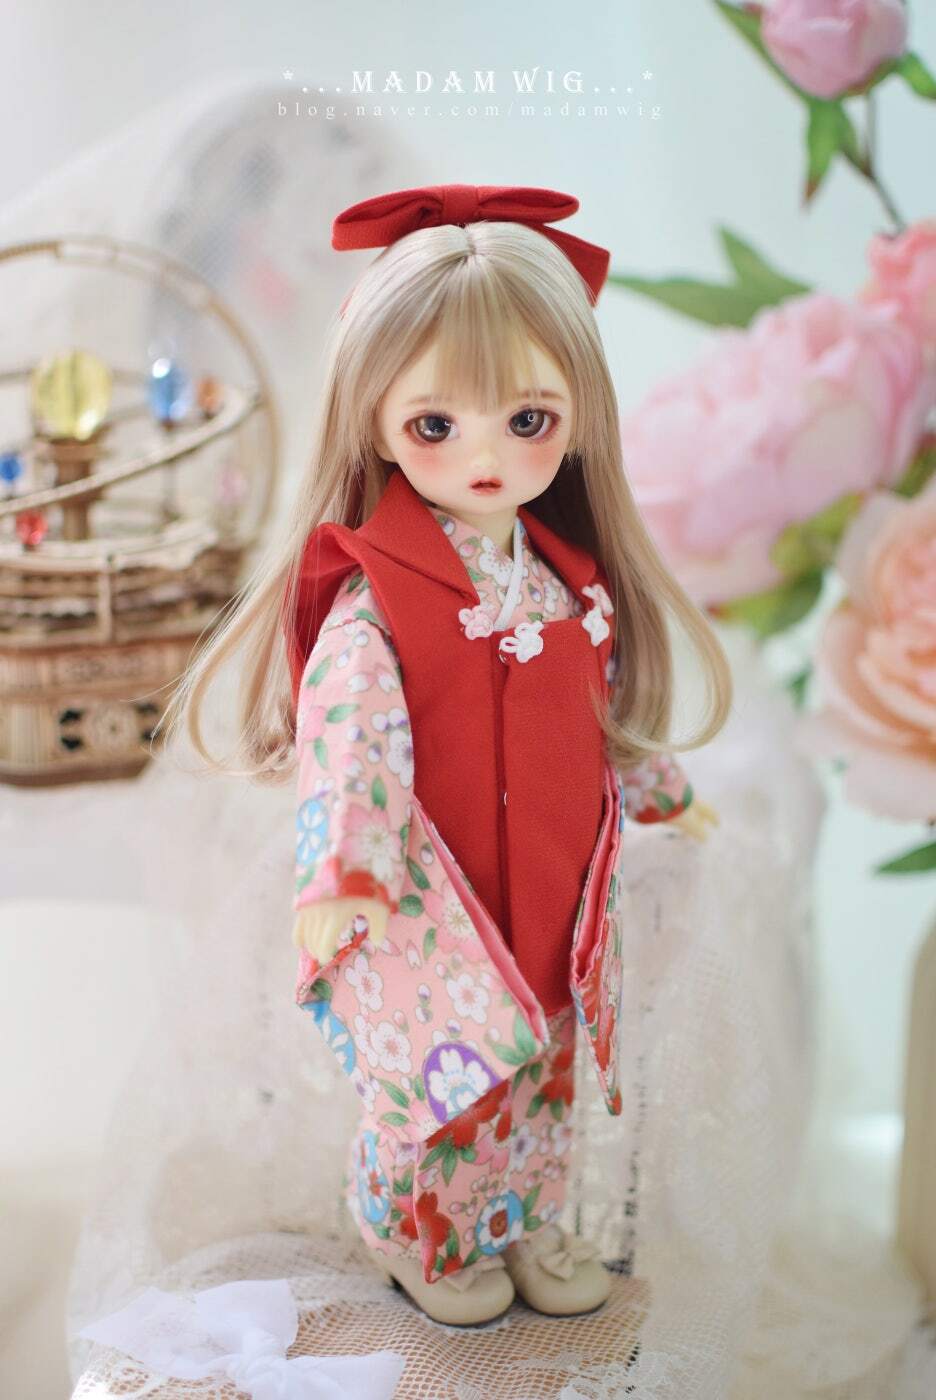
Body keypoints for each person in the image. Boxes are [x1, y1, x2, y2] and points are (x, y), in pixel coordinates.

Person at [165, 184, 732, 1328]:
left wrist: (660, 789)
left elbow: (597, 716)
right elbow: (351, 738)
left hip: (553, 882)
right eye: (437, 424)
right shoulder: (374, 597)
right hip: (435, 897)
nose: (486, 453)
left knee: (547, 1066)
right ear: (375, 420)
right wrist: (345, 872)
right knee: (440, 1077)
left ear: (579, 418)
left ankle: (524, 1219)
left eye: (528, 419)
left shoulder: (569, 583)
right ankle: (418, 1228)